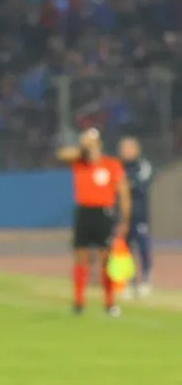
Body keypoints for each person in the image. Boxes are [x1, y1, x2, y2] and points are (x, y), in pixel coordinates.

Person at [57, 128, 131, 316]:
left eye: (93, 142)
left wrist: (124, 218)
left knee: (105, 259)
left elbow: (123, 192)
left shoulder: (111, 164)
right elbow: (62, 154)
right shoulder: (79, 162)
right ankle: (79, 302)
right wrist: (82, 147)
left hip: (103, 213)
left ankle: (109, 302)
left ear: (99, 144)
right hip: (84, 212)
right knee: (81, 257)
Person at [118, 137, 154, 297]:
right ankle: (129, 281)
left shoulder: (143, 166)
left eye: (130, 148)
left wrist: (126, 184)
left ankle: (146, 279)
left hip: (140, 214)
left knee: (143, 247)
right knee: (126, 249)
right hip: (123, 216)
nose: (128, 152)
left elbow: (141, 185)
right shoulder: (118, 167)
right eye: (125, 149)